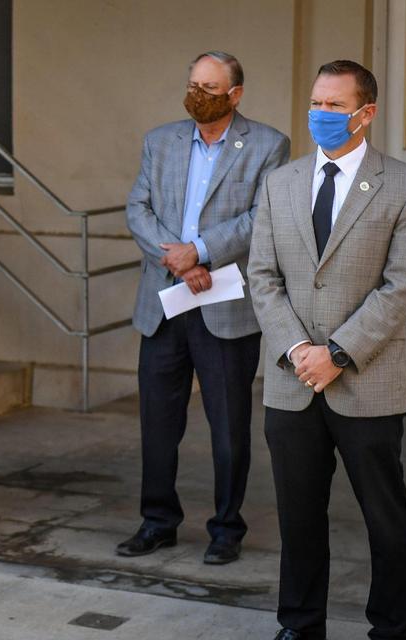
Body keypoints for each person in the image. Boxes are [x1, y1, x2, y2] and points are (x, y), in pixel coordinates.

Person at [248, 60, 406, 640]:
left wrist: (339, 353)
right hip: (291, 379)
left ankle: (393, 629)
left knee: (386, 517)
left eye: (334, 106)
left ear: (365, 113)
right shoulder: (280, 182)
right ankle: (301, 625)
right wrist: (301, 347)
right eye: (316, 103)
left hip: (367, 380)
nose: (320, 115)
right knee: (299, 518)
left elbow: (402, 285)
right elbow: (262, 276)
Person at [121, 51, 289, 564]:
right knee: (158, 422)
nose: (198, 93)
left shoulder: (268, 144)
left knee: (229, 426)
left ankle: (226, 529)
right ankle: (157, 522)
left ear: (235, 94)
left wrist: (202, 251)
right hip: (165, 300)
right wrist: (179, 259)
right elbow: (138, 208)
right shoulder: (160, 140)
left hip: (226, 304)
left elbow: (263, 216)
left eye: (210, 87)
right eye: (193, 83)